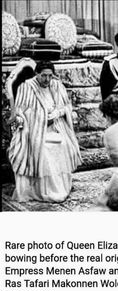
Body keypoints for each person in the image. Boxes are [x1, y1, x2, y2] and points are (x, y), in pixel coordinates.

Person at [8, 60, 82, 202]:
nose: (47, 80)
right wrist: (38, 118)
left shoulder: (57, 85)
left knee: (65, 144)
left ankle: (60, 186)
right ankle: (43, 190)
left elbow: (67, 106)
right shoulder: (27, 87)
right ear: (37, 74)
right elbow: (20, 111)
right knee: (44, 149)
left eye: (50, 76)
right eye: (43, 76)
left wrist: (58, 113)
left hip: (56, 126)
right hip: (33, 129)